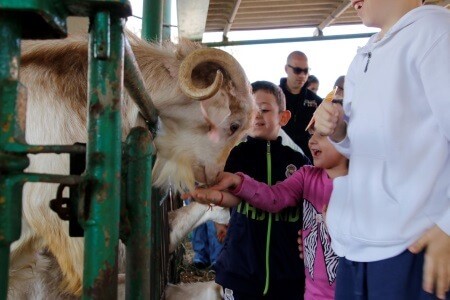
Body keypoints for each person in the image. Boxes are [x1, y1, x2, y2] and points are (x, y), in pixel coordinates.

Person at [313, 1, 450, 299]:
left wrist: (448, 229)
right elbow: (361, 147)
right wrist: (338, 130)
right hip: (357, 248)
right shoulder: (365, 53)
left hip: (415, 246)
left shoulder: (436, 32)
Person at [184, 128, 348, 300]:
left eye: (322, 134)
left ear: (348, 139)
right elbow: (273, 197)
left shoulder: (363, 188)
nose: (312, 141)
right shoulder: (306, 175)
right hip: (312, 291)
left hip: (347, 286)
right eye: (311, 134)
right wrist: (237, 181)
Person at [191, 80, 310, 299]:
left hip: (288, 274)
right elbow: (231, 198)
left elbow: (309, 207)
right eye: (252, 109)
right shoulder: (236, 154)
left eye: (264, 110)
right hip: (242, 269)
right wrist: (214, 196)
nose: (257, 115)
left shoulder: (297, 161)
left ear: (283, 117)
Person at [280, 51, 322, 162]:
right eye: (297, 70)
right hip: (277, 156)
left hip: (306, 160)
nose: (302, 75)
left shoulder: (316, 101)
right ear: (286, 69)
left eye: (306, 71)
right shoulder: (273, 97)